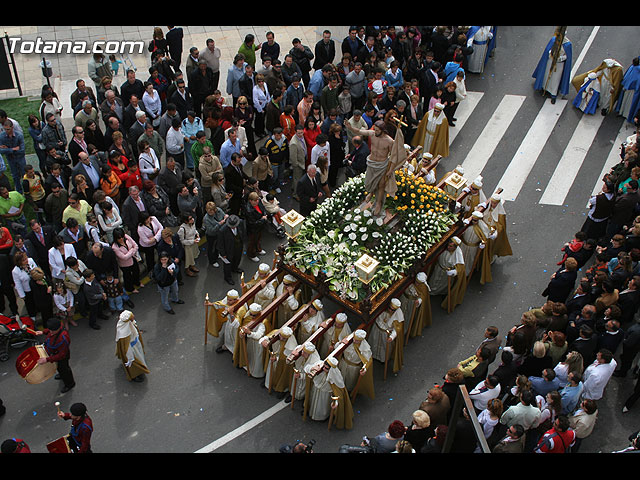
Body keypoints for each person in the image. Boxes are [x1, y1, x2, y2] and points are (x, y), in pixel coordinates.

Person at [532, 28, 573, 104]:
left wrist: (560, 58)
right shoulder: (554, 40)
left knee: (555, 80)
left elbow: (567, 57)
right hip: (550, 61)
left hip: (559, 65)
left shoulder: (567, 44)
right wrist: (550, 53)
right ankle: (543, 87)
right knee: (546, 75)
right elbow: (548, 50)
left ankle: (553, 94)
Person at [35, 317, 75, 392]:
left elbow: (61, 355)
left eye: (52, 331)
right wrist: (43, 332)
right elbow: (49, 331)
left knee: (65, 370)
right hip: (54, 355)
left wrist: (47, 359)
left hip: (61, 357)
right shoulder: (55, 328)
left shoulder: (63, 338)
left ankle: (70, 384)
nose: (51, 332)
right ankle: (62, 375)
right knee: (59, 368)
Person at [368, 298, 405, 374]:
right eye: (390, 308)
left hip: (386, 334)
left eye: (393, 310)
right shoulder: (382, 310)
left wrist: (392, 337)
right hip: (377, 330)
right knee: (374, 343)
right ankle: (373, 356)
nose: (390, 310)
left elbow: (397, 329)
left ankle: (383, 360)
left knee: (384, 348)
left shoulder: (397, 317)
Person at [115, 310, 149, 383]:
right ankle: (135, 375)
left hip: (136, 344)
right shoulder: (124, 333)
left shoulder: (127, 324)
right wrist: (130, 358)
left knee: (140, 357)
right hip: (132, 349)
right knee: (135, 363)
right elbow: (127, 348)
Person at [218, 214, 245, 285]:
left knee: (237, 259)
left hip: (238, 246)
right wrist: (223, 253)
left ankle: (235, 268)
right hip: (228, 249)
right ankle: (228, 277)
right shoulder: (222, 230)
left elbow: (243, 232)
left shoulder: (241, 223)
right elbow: (220, 243)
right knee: (227, 264)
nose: (233, 227)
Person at [153, 251, 184, 315]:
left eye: (165, 259)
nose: (163, 261)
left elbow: (177, 268)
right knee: (164, 296)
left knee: (175, 291)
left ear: (168, 258)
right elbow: (159, 278)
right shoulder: (157, 266)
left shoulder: (171, 261)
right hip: (164, 285)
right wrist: (164, 269)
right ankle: (167, 308)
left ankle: (175, 299)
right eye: (162, 259)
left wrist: (173, 272)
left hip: (172, 281)